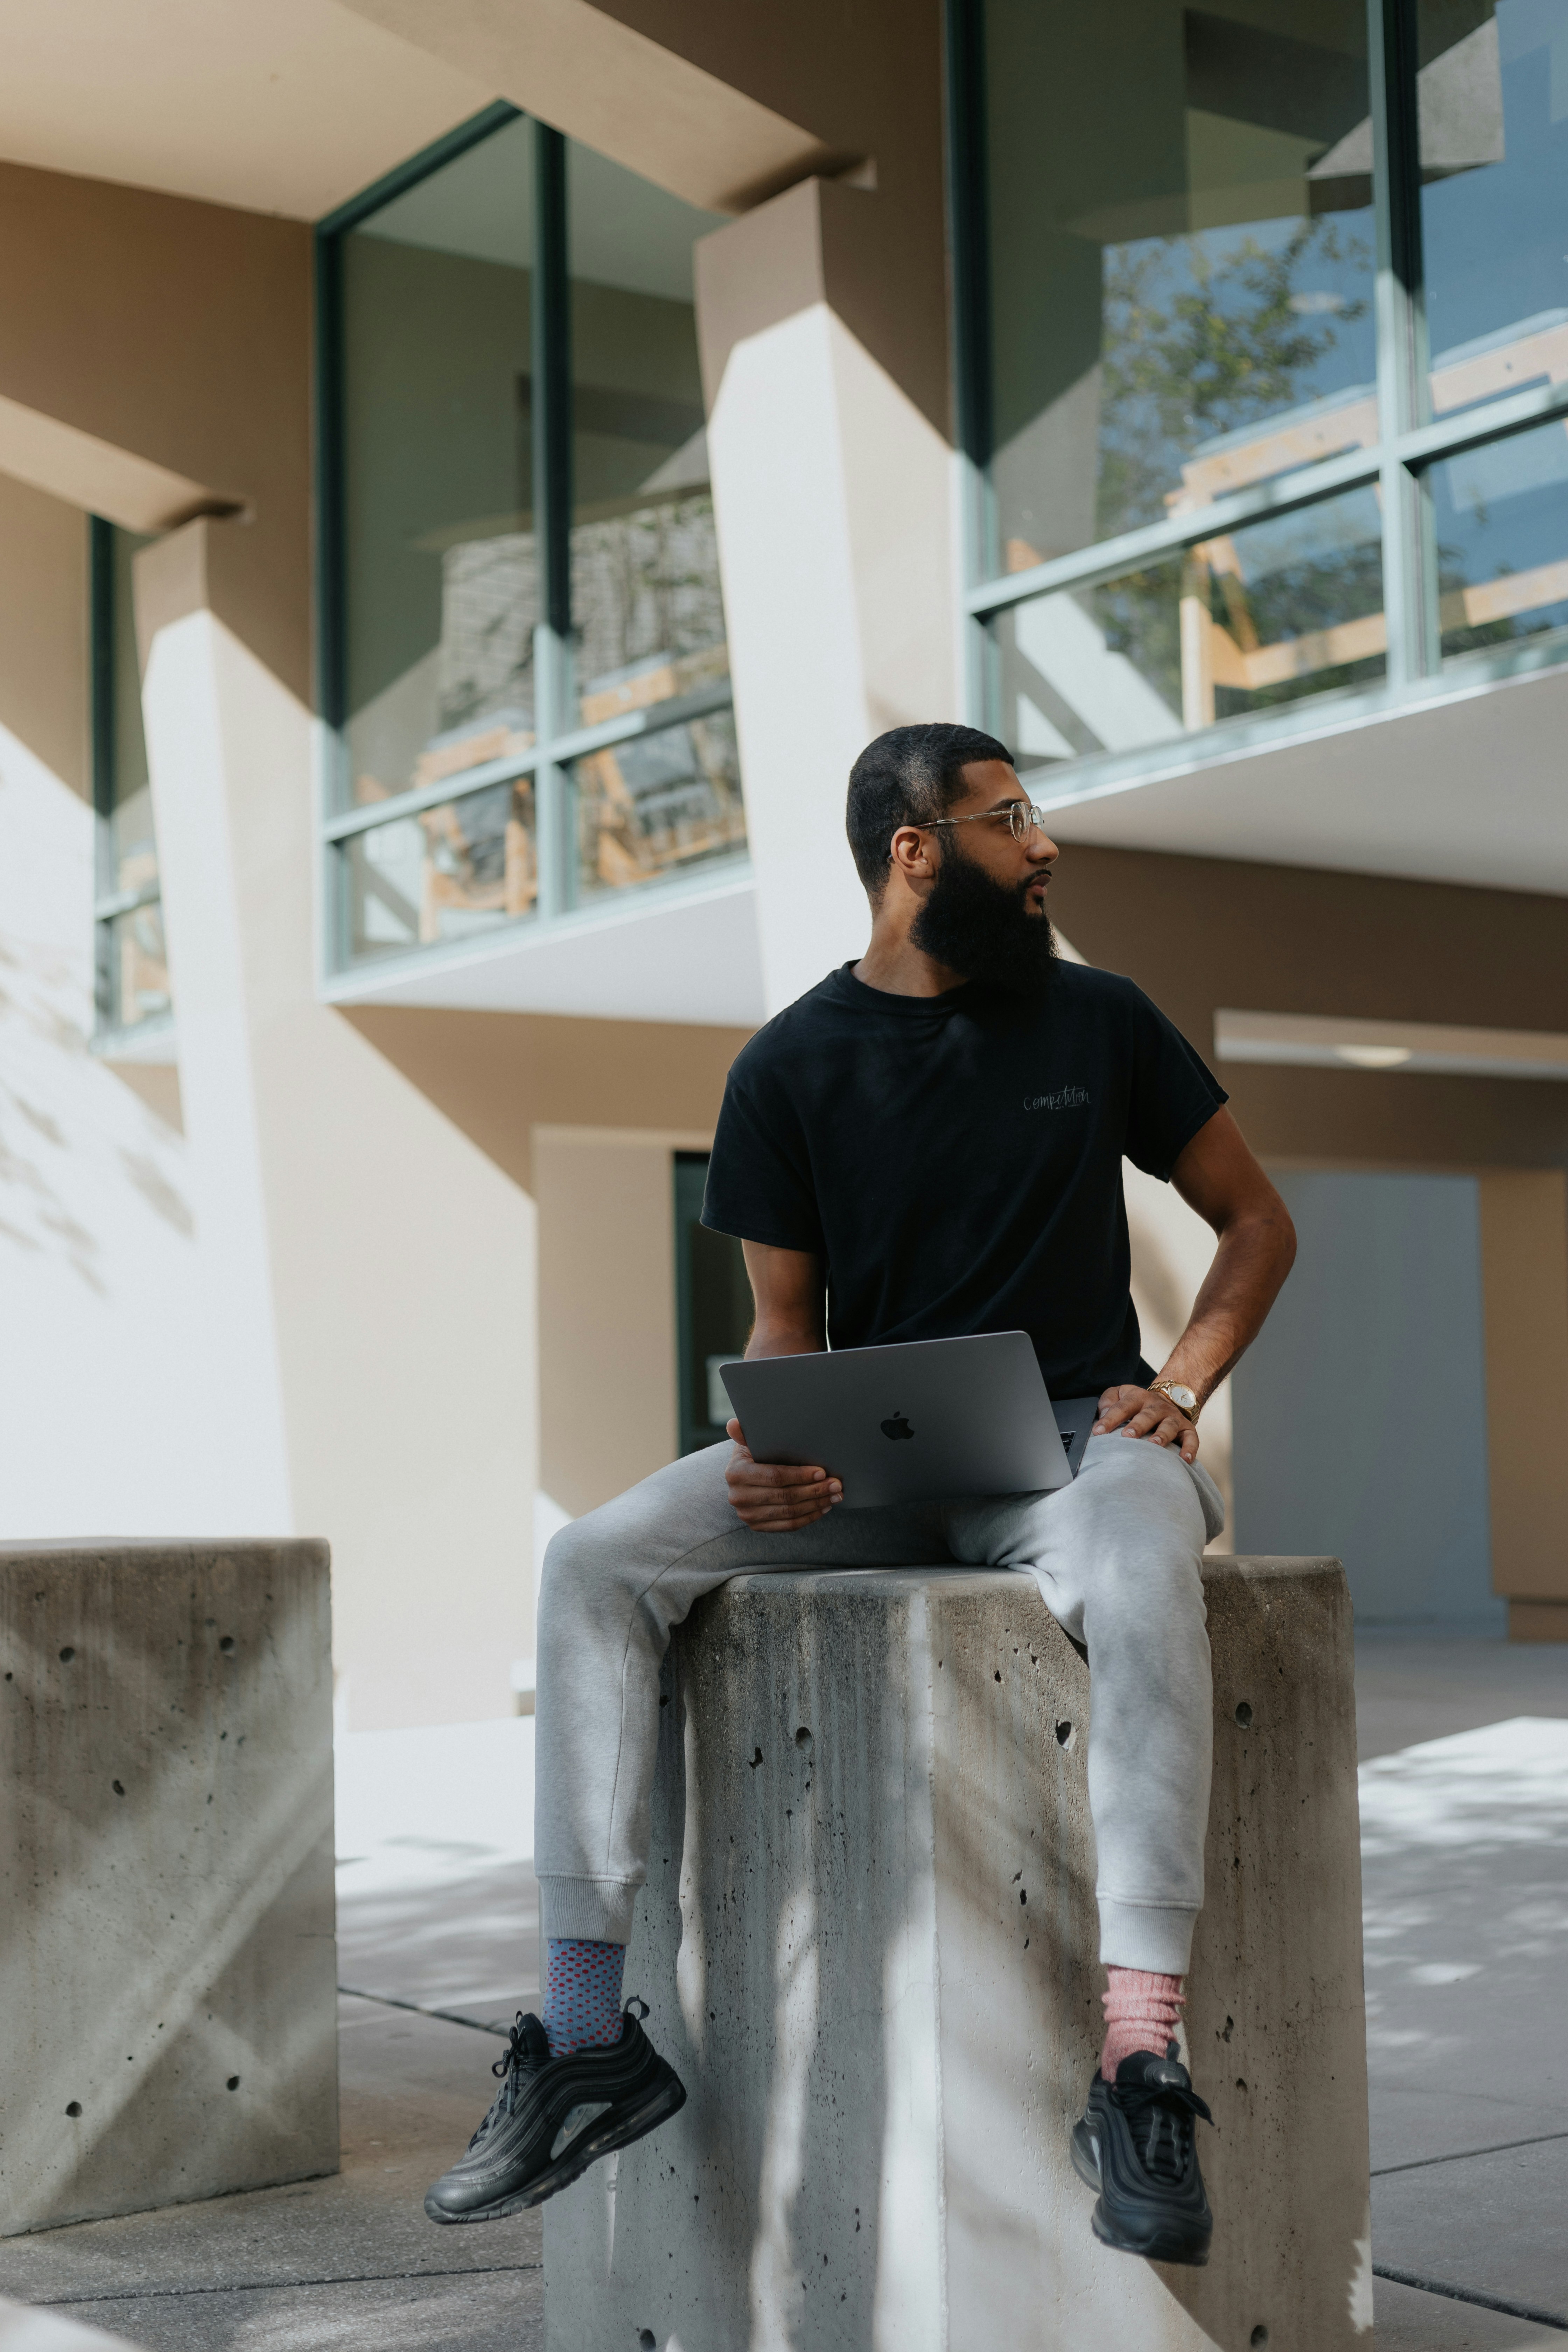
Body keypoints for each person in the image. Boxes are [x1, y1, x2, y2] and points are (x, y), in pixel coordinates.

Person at [424, 722, 1296, 2265]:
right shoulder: (787, 1067)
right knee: (593, 1561)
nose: (1044, 848)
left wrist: (1179, 1389)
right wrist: (770, 1460)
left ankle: (1138, 2057)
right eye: (1009, 820)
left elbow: (1253, 1221)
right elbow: (783, 1334)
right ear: (916, 850)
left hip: (1072, 1456)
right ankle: (580, 2039)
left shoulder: (1101, 1022)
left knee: (1153, 1531)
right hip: (865, 1473)